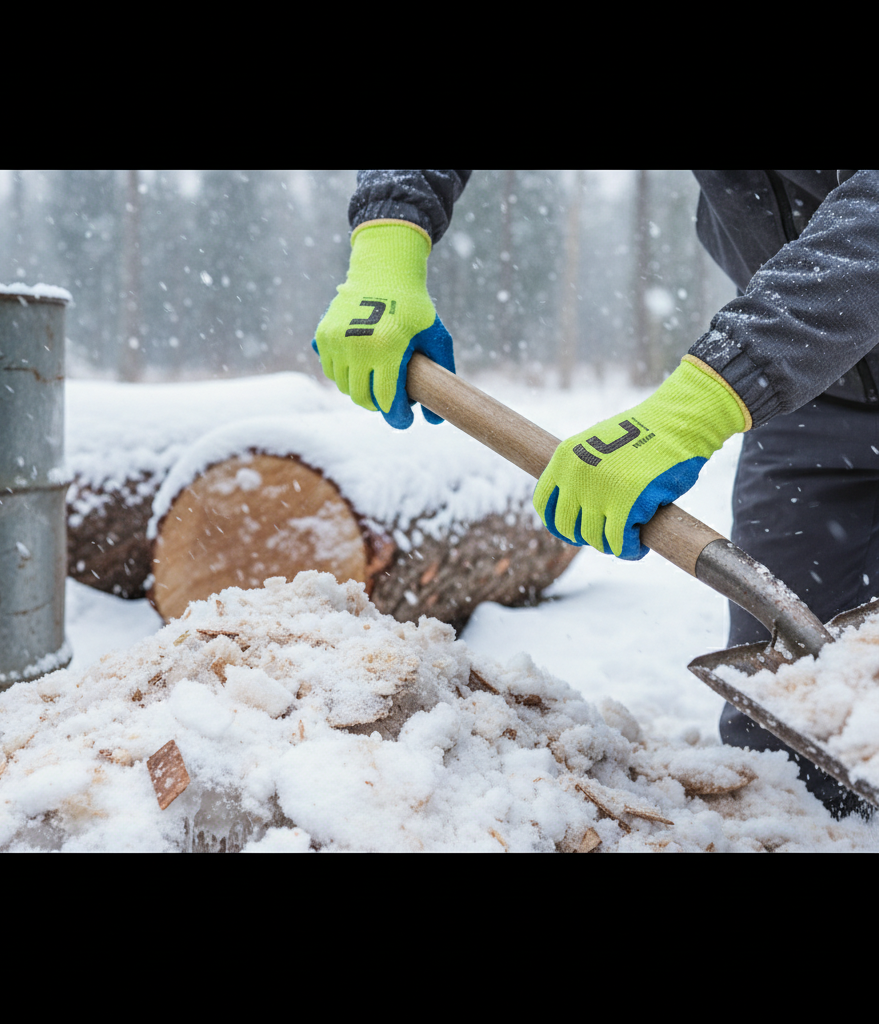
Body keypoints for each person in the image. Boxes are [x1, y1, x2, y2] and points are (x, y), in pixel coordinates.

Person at [313, 169, 879, 820]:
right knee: (788, 745)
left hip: (791, 356)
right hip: (812, 401)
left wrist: (699, 402)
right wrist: (389, 240)